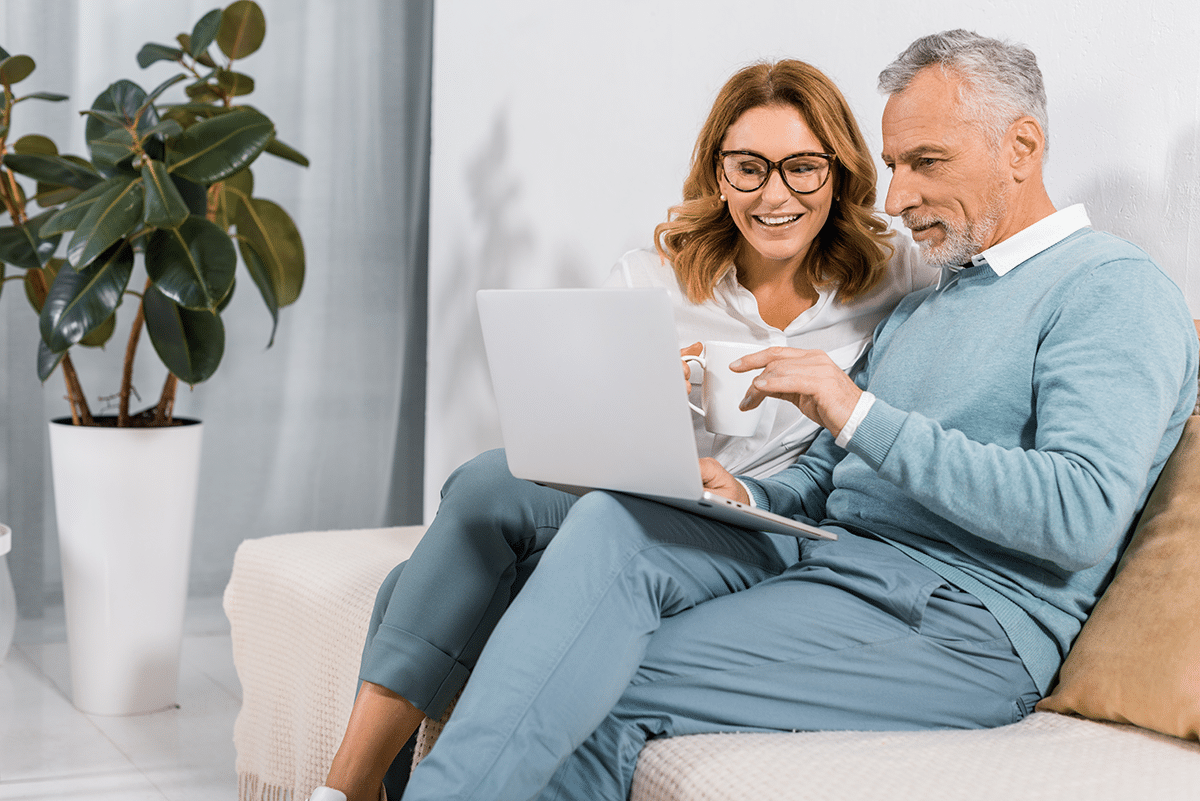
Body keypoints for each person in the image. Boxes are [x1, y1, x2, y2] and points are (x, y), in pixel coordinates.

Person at [392, 29, 1198, 801]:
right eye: (892, 165)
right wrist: (749, 499)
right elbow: (830, 470)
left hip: (965, 622)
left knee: (596, 670)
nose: (897, 196)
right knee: (611, 523)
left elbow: (1080, 512)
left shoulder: (1112, 289)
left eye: (926, 162)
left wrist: (858, 410)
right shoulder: (933, 302)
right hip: (837, 567)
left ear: (1022, 148)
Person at [308, 59, 931, 801]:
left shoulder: (898, 276)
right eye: (748, 168)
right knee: (481, 482)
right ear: (718, 172)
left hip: (765, 525)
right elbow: (573, 433)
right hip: (641, 500)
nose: (775, 194)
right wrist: (643, 403)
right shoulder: (652, 277)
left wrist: (750, 483)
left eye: (802, 167)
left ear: (840, 169)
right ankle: (343, 790)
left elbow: (859, 437)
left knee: (409, 586)